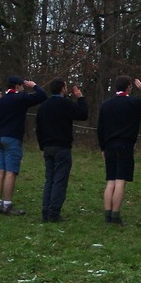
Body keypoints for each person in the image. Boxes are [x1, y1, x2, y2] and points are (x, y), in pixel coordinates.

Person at [97, 75, 141, 226]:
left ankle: (107, 215)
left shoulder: (106, 104)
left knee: (110, 180)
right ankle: (116, 215)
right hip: (125, 144)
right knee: (120, 181)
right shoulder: (134, 103)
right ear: (129, 87)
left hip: (109, 145)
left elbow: (100, 128)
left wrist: (102, 147)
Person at [35, 78, 89, 223]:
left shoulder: (44, 106)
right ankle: (53, 213)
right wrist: (80, 97)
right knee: (59, 180)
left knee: (49, 180)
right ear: (63, 89)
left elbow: (38, 128)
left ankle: (45, 211)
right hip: (62, 148)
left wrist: (42, 145)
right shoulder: (65, 104)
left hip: (48, 147)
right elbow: (83, 114)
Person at [0, 76, 47, 215]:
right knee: (11, 172)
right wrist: (34, 85)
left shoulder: (0, 101)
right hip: (12, 138)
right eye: (22, 86)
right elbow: (42, 96)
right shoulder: (20, 98)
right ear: (17, 86)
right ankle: (7, 205)